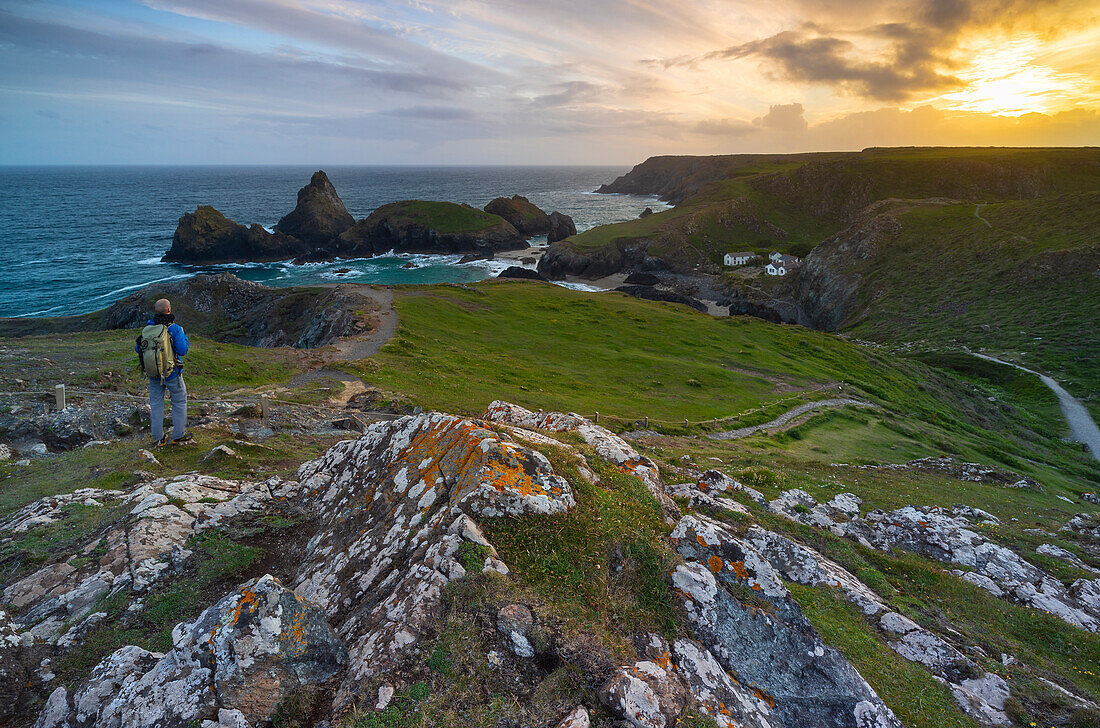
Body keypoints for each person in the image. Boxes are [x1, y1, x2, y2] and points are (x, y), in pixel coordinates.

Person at [136, 298, 191, 445]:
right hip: (172, 372)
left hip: (153, 374)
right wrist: (184, 336)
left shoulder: (148, 328)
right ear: (169, 310)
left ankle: (158, 438)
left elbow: (138, 349)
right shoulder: (175, 328)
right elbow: (182, 350)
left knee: (156, 404)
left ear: (155, 311)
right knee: (179, 401)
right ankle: (178, 435)